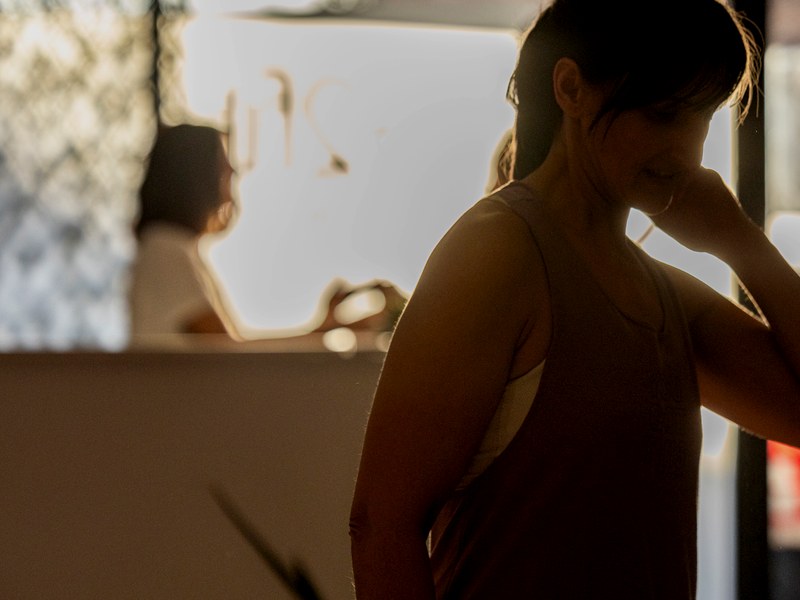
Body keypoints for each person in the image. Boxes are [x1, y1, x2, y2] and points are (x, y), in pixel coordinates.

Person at [349, 0, 800, 598]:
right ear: (570, 89)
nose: (687, 150)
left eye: (703, 118)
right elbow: (381, 525)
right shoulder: (501, 250)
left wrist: (742, 243)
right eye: (663, 114)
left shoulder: (659, 292)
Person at [129, 123, 237, 339]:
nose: (231, 174)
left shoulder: (173, 247)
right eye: (222, 171)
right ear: (198, 179)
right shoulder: (165, 249)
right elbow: (222, 348)